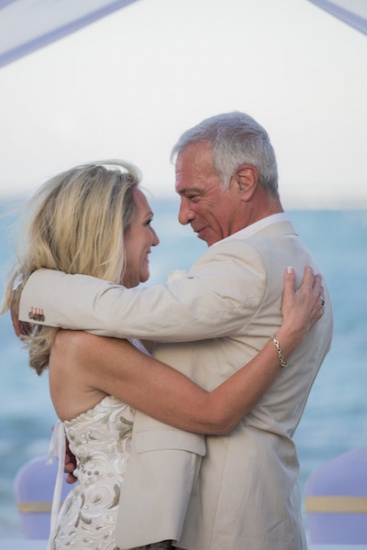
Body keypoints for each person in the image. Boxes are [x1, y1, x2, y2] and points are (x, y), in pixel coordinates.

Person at [16, 112, 333, 550]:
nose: (178, 220)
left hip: (224, 518)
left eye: (193, 195)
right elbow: (144, 351)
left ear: (244, 181)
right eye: (148, 224)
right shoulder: (295, 261)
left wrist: (33, 294)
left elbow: (134, 329)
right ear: (109, 235)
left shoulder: (249, 263)